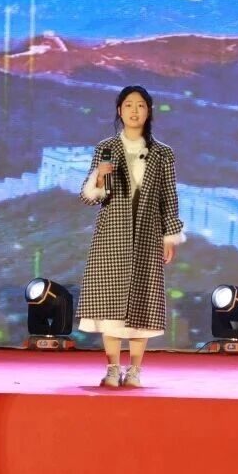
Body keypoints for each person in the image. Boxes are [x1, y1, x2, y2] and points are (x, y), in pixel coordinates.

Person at [77, 85, 185, 388]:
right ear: (119, 111)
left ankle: (135, 370)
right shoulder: (106, 148)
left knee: (143, 302)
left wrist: (169, 235)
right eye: (128, 105)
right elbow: (89, 197)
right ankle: (112, 368)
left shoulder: (163, 153)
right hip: (112, 234)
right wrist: (99, 176)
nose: (134, 111)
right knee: (109, 303)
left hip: (148, 234)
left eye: (140, 105)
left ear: (149, 111)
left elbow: (169, 197)